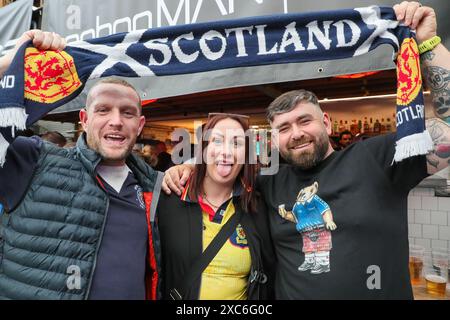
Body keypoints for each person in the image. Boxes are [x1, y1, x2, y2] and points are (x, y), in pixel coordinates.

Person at [162, 2, 450, 299]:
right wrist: (186, 168)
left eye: (304, 121)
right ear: (273, 140)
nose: (296, 134)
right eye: (284, 128)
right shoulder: (268, 185)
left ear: (326, 122)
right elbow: (220, 173)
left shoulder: (376, 158)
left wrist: (428, 44)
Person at [0, 31, 162, 300]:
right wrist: (11, 62)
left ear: (140, 125)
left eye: (127, 112)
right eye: (103, 110)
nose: (116, 121)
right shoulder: (34, 161)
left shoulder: (155, 186)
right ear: (84, 120)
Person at [157, 113, 273, 300]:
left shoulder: (258, 206)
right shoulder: (170, 198)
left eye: (236, 144)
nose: (226, 152)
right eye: (217, 141)